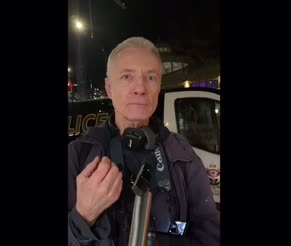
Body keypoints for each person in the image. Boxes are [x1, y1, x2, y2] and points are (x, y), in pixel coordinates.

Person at [68, 37, 220, 245]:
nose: (140, 88)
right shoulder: (78, 155)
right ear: (109, 88)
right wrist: (83, 216)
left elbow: (209, 229)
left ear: (159, 86)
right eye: (127, 76)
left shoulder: (182, 152)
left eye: (150, 77)